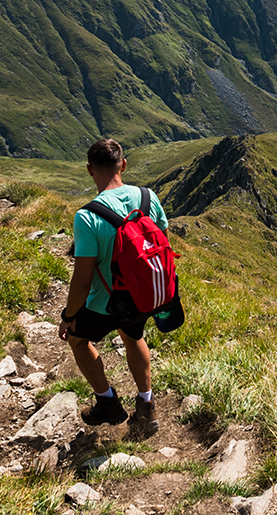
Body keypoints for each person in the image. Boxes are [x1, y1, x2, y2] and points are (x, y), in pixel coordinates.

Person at [57, 137, 169, 437]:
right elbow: (162, 241)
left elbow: (82, 280)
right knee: (134, 335)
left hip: (105, 302)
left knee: (78, 340)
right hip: (144, 295)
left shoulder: (87, 216)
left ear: (89, 170)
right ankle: (146, 404)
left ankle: (107, 402)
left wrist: (69, 315)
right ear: (124, 164)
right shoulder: (148, 197)